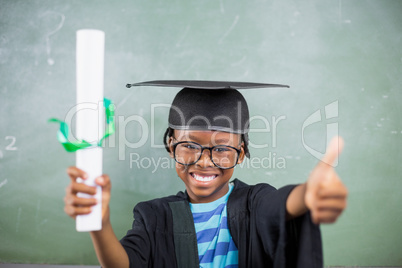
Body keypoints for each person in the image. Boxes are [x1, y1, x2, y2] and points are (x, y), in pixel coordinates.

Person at [64, 81, 348, 268]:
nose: (203, 162)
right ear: (170, 145)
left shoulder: (255, 201)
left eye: (222, 150)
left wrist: (308, 193)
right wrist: (99, 224)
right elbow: (124, 263)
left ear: (241, 152)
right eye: (189, 146)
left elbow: (283, 206)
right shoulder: (153, 216)